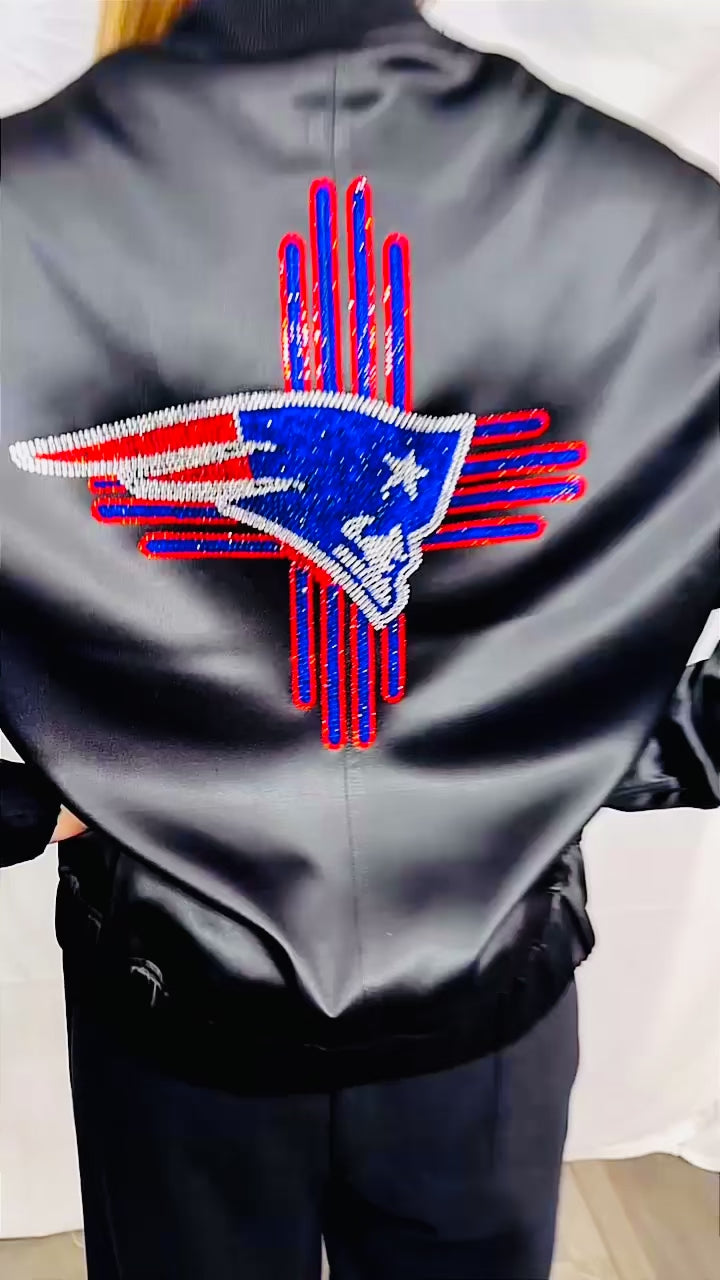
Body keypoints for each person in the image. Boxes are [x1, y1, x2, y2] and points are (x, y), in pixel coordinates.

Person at [1, 2, 718, 1277]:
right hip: (486, 983)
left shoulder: (23, 211)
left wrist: (31, 802)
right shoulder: (664, 224)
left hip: (173, 988)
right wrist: (583, 747)